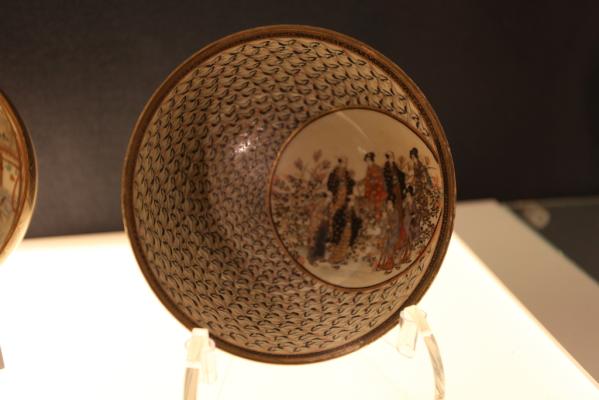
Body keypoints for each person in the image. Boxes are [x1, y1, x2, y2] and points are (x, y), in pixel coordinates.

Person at [363, 152, 386, 221]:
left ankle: (378, 219)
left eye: (368, 160)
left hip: (378, 191)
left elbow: (380, 180)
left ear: (371, 160)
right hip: (370, 191)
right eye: (366, 161)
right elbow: (367, 179)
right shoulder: (368, 168)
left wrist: (373, 182)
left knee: (377, 206)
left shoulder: (377, 168)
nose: (367, 162)